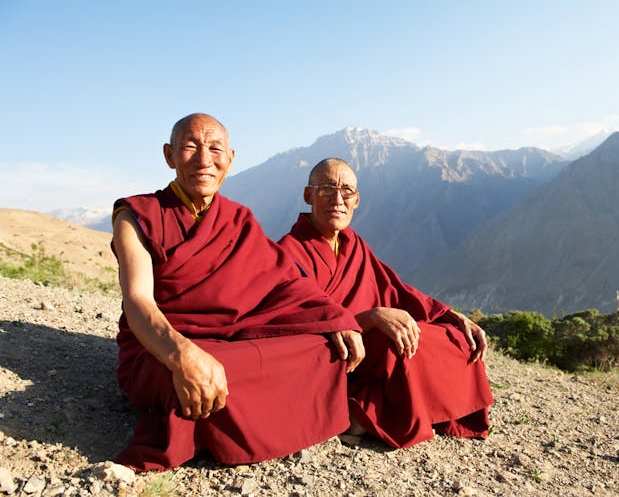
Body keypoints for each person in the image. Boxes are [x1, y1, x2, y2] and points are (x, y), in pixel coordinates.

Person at [111, 115, 364, 472]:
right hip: (160, 345)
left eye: (215, 149)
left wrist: (334, 318)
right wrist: (181, 353)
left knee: (321, 349)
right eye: (190, 147)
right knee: (186, 376)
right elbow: (138, 301)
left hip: (230, 342)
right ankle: (228, 420)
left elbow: (285, 283)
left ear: (229, 158)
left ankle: (230, 413)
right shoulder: (137, 215)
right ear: (169, 155)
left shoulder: (239, 220)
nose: (203, 160)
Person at [278, 157, 493, 449]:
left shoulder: (354, 245)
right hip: (334, 354)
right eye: (327, 189)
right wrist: (369, 318)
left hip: (367, 343)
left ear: (357, 200)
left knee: (455, 339)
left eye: (347, 191)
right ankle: (363, 410)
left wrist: (451, 316)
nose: (337, 200)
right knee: (394, 344)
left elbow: (396, 289)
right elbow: (299, 317)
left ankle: (371, 410)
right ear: (308, 196)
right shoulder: (288, 251)